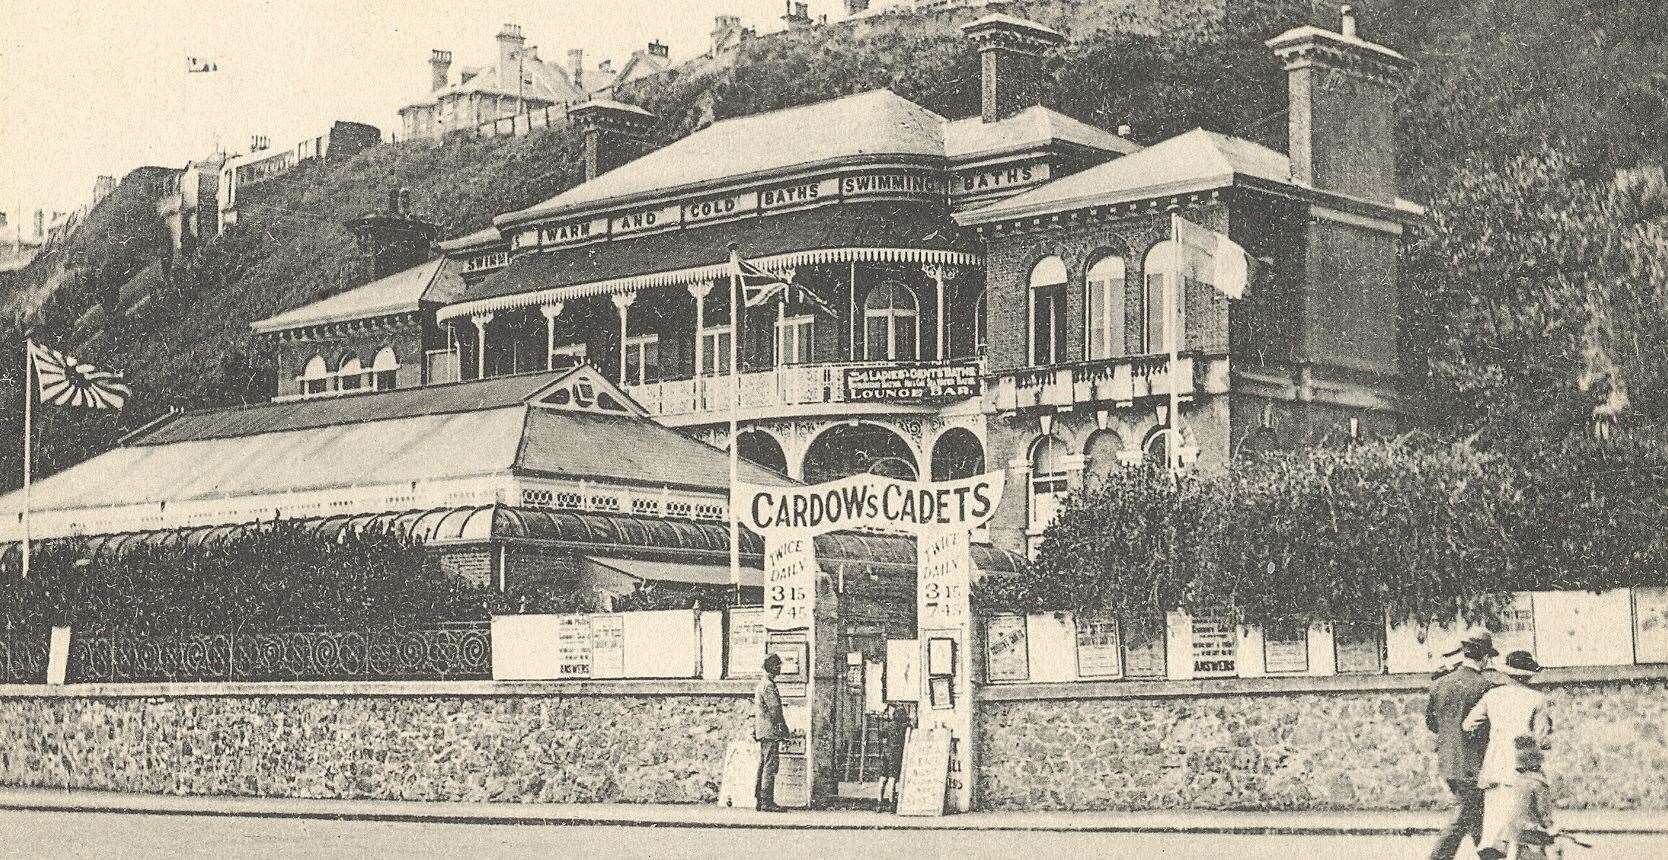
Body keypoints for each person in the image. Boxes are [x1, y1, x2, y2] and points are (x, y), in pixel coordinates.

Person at [1465, 650, 1553, 856]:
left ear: (1507, 673)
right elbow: (1542, 741)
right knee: (1524, 830)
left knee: (1494, 832)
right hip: (1523, 769)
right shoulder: (1537, 699)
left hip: (1495, 767)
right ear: (1529, 674)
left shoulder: (1492, 696)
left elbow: (1468, 724)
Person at [1425, 629, 1500, 860]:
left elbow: (1432, 723)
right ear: (1485, 657)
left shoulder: (1439, 684)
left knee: (1476, 818)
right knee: (1464, 818)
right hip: (1473, 766)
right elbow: (1489, 730)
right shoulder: (1485, 687)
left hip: (1448, 763)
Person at [754, 653, 791, 812]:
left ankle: (760, 798)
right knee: (770, 765)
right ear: (771, 667)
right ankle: (766, 801)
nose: (779, 669)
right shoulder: (768, 685)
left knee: (764, 764)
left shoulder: (763, 683)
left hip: (764, 731)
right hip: (770, 731)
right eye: (777, 666)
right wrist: (783, 728)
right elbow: (775, 710)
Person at [877, 702, 912, 812]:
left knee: (883, 778)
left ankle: (879, 803)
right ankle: (892, 804)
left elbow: (881, 734)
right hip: (896, 754)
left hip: (886, 752)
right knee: (892, 778)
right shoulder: (904, 727)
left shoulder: (888, 726)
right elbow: (911, 727)